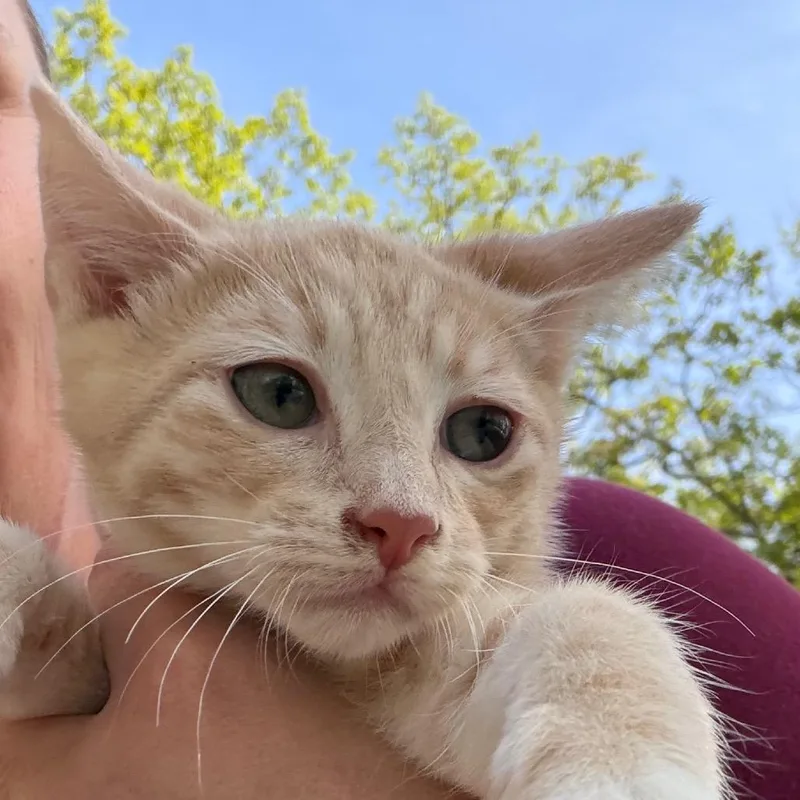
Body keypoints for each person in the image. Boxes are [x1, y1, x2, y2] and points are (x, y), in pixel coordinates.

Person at [0, 2, 797, 797]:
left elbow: (504, 658)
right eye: (281, 395)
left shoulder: (656, 565)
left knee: (590, 639)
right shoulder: (53, 616)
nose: (404, 512)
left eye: (480, 432)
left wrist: (600, 681)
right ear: (111, 290)